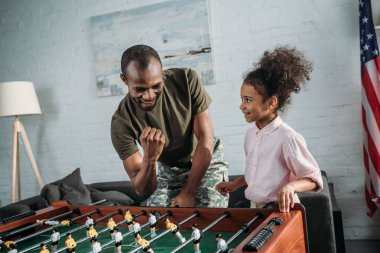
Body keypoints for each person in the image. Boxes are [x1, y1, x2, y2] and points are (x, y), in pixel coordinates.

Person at [111, 44, 229, 207]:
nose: (149, 96)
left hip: (205, 157)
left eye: (156, 86)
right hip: (168, 169)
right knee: (158, 219)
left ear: (161, 72)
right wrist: (150, 160)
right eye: (140, 89)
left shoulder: (187, 80)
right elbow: (142, 189)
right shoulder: (121, 121)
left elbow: (205, 138)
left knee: (209, 211)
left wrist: (188, 193)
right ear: (125, 80)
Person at [215, 46, 323, 212]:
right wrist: (233, 184)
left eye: (248, 100)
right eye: (242, 99)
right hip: (255, 210)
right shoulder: (250, 134)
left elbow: (314, 179)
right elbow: (256, 173)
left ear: (271, 103)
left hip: (281, 211)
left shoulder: (288, 138)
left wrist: (291, 187)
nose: (241, 106)